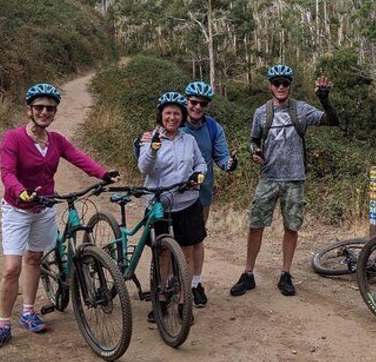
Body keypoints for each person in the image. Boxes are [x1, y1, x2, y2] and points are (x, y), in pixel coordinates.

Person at [0, 83, 120, 351]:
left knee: (34, 258)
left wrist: (102, 174)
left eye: (50, 108)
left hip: (46, 206)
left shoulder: (56, 140)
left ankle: (28, 312)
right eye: (39, 107)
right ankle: (2, 325)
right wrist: (21, 193)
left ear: (55, 112)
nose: (44, 112)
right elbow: (7, 173)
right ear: (29, 110)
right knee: (12, 268)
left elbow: (78, 157)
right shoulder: (13, 138)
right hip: (17, 209)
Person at [230, 64, 339, 298]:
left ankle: (285, 274)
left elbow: (332, 120)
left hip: (294, 179)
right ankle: (248, 273)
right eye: (277, 83)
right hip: (268, 177)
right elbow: (253, 140)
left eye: (285, 83)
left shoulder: (302, 109)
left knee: (291, 227)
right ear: (270, 86)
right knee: (255, 224)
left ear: (290, 85)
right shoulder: (261, 112)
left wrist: (324, 99)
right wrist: (255, 151)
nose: (281, 87)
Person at [137, 92, 207, 322]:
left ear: (183, 116)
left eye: (177, 113)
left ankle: (184, 303)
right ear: (161, 115)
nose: (172, 117)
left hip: (186, 202)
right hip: (160, 204)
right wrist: (154, 149)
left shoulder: (189, 140)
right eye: (168, 113)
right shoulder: (151, 139)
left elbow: (200, 162)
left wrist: (199, 174)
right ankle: (161, 298)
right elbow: (144, 169)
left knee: (187, 252)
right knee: (162, 253)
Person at [181, 81, 237, 307]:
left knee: (196, 239)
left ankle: (195, 283)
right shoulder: (175, 121)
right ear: (187, 101)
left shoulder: (213, 128)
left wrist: (230, 164)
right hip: (173, 193)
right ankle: (171, 284)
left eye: (202, 104)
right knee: (173, 242)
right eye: (193, 102)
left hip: (202, 194)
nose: (197, 107)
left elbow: (221, 158)